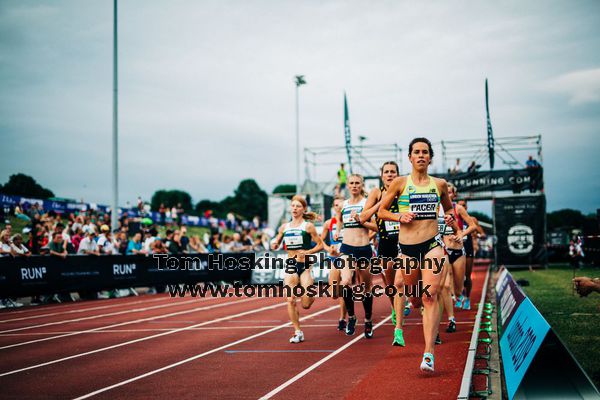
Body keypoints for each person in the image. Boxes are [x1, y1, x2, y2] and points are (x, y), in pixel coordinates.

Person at [378, 137, 461, 373]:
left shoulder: (440, 184)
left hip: (433, 245)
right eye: (417, 152)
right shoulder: (400, 184)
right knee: (415, 299)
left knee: (430, 296)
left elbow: (448, 209)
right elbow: (382, 211)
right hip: (408, 250)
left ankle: (428, 354)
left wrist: (452, 222)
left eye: (425, 152)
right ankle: (415, 305)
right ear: (410, 157)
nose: (421, 155)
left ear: (430, 157)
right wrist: (399, 217)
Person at [359, 161, 408, 346]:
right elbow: (364, 217)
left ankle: (403, 313)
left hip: (405, 243)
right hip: (386, 244)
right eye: (386, 172)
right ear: (382, 176)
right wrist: (381, 203)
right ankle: (395, 308)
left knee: (401, 282)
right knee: (390, 284)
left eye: (393, 172)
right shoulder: (376, 193)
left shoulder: (404, 190)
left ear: (398, 174)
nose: (390, 175)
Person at [271, 195, 324, 343]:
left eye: (298, 206)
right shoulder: (284, 227)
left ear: (303, 209)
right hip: (291, 264)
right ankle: (297, 331)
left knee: (306, 304)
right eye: (293, 206)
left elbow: (320, 245)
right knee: (290, 299)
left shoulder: (308, 226)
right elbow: (276, 241)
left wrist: (307, 252)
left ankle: (310, 292)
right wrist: (275, 244)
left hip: (305, 265)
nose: (294, 208)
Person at [335, 174, 378, 338]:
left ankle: (368, 320)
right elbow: (339, 220)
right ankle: (352, 317)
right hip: (347, 248)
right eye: (351, 183)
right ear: (347, 185)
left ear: (362, 185)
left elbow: (376, 226)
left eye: (357, 183)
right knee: (345, 282)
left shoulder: (366, 203)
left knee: (366, 288)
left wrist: (361, 220)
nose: (354, 185)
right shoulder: (344, 204)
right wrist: (338, 231)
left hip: (363, 248)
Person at [438, 184, 477, 333]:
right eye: (444, 192)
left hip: (458, 251)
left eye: (449, 193)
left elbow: (472, 225)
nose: (447, 195)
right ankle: (450, 319)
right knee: (446, 285)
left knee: (459, 288)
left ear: (454, 195)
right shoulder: (436, 209)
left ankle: (459, 295)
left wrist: (462, 234)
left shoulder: (458, 209)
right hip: (443, 250)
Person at [320, 196, 347, 331]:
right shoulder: (328, 223)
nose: (338, 207)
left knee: (343, 288)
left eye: (341, 204)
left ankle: (342, 318)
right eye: (336, 205)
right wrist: (328, 248)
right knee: (334, 292)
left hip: (347, 256)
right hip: (334, 258)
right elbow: (321, 241)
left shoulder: (349, 220)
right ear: (333, 207)